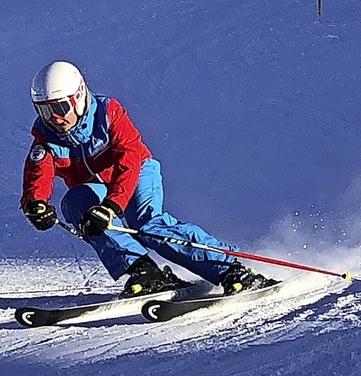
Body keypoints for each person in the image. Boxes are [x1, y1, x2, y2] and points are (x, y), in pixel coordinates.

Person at [21, 61, 275, 298]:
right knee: (76, 204)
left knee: (147, 225)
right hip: (96, 187)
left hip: (138, 172)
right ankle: (143, 269)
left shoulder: (109, 114)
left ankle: (229, 269)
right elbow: (38, 171)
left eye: (60, 107)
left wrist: (111, 207)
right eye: (44, 110)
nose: (54, 117)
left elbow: (129, 160)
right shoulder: (46, 135)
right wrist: (35, 204)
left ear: (78, 98)